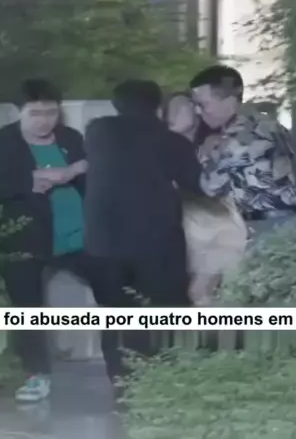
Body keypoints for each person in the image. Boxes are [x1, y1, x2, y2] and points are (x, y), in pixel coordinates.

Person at [0, 79, 119, 403]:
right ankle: (36, 375)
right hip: (27, 237)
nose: (44, 121)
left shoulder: (71, 138)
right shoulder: (0, 142)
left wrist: (77, 169)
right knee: (27, 309)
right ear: (19, 112)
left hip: (80, 236)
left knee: (115, 296)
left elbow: (93, 175)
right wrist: (33, 179)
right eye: (36, 113)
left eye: (51, 113)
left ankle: (123, 371)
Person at [83, 80, 203, 378]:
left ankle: (120, 379)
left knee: (115, 314)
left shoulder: (98, 132)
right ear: (158, 106)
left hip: (104, 243)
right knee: (163, 313)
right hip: (158, 243)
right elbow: (197, 188)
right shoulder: (173, 142)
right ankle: (161, 378)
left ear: (116, 104)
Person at [189, 65, 296, 238]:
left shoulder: (238, 138)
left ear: (230, 102)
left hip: (264, 229)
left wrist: (205, 153)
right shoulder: (267, 123)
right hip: (285, 224)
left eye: (202, 104)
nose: (197, 111)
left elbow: (209, 187)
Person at [163, 93, 248, 305]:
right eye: (180, 107)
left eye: (192, 105)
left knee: (207, 283)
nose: (192, 109)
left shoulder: (213, 140)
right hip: (186, 219)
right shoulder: (161, 144)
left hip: (213, 217)